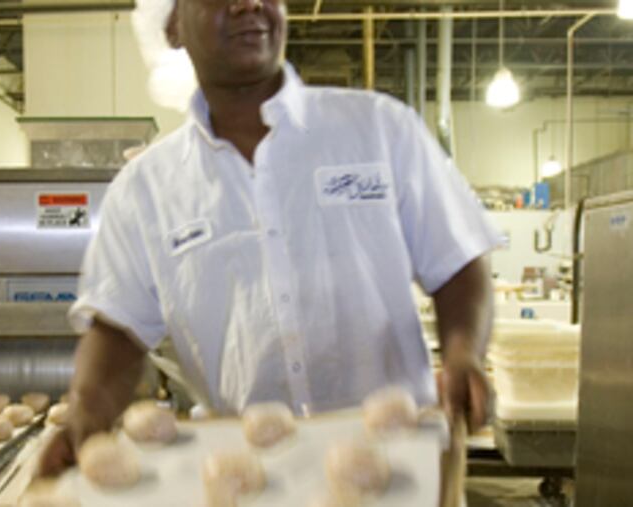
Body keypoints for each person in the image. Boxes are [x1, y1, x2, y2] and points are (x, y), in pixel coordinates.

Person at [39, 0, 500, 478]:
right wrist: (87, 410)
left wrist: (464, 351)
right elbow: (118, 330)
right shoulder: (146, 190)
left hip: (399, 462)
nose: (249, 4)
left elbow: (458, 259)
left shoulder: (380, 129)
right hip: (252, 476)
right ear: (172, 25)